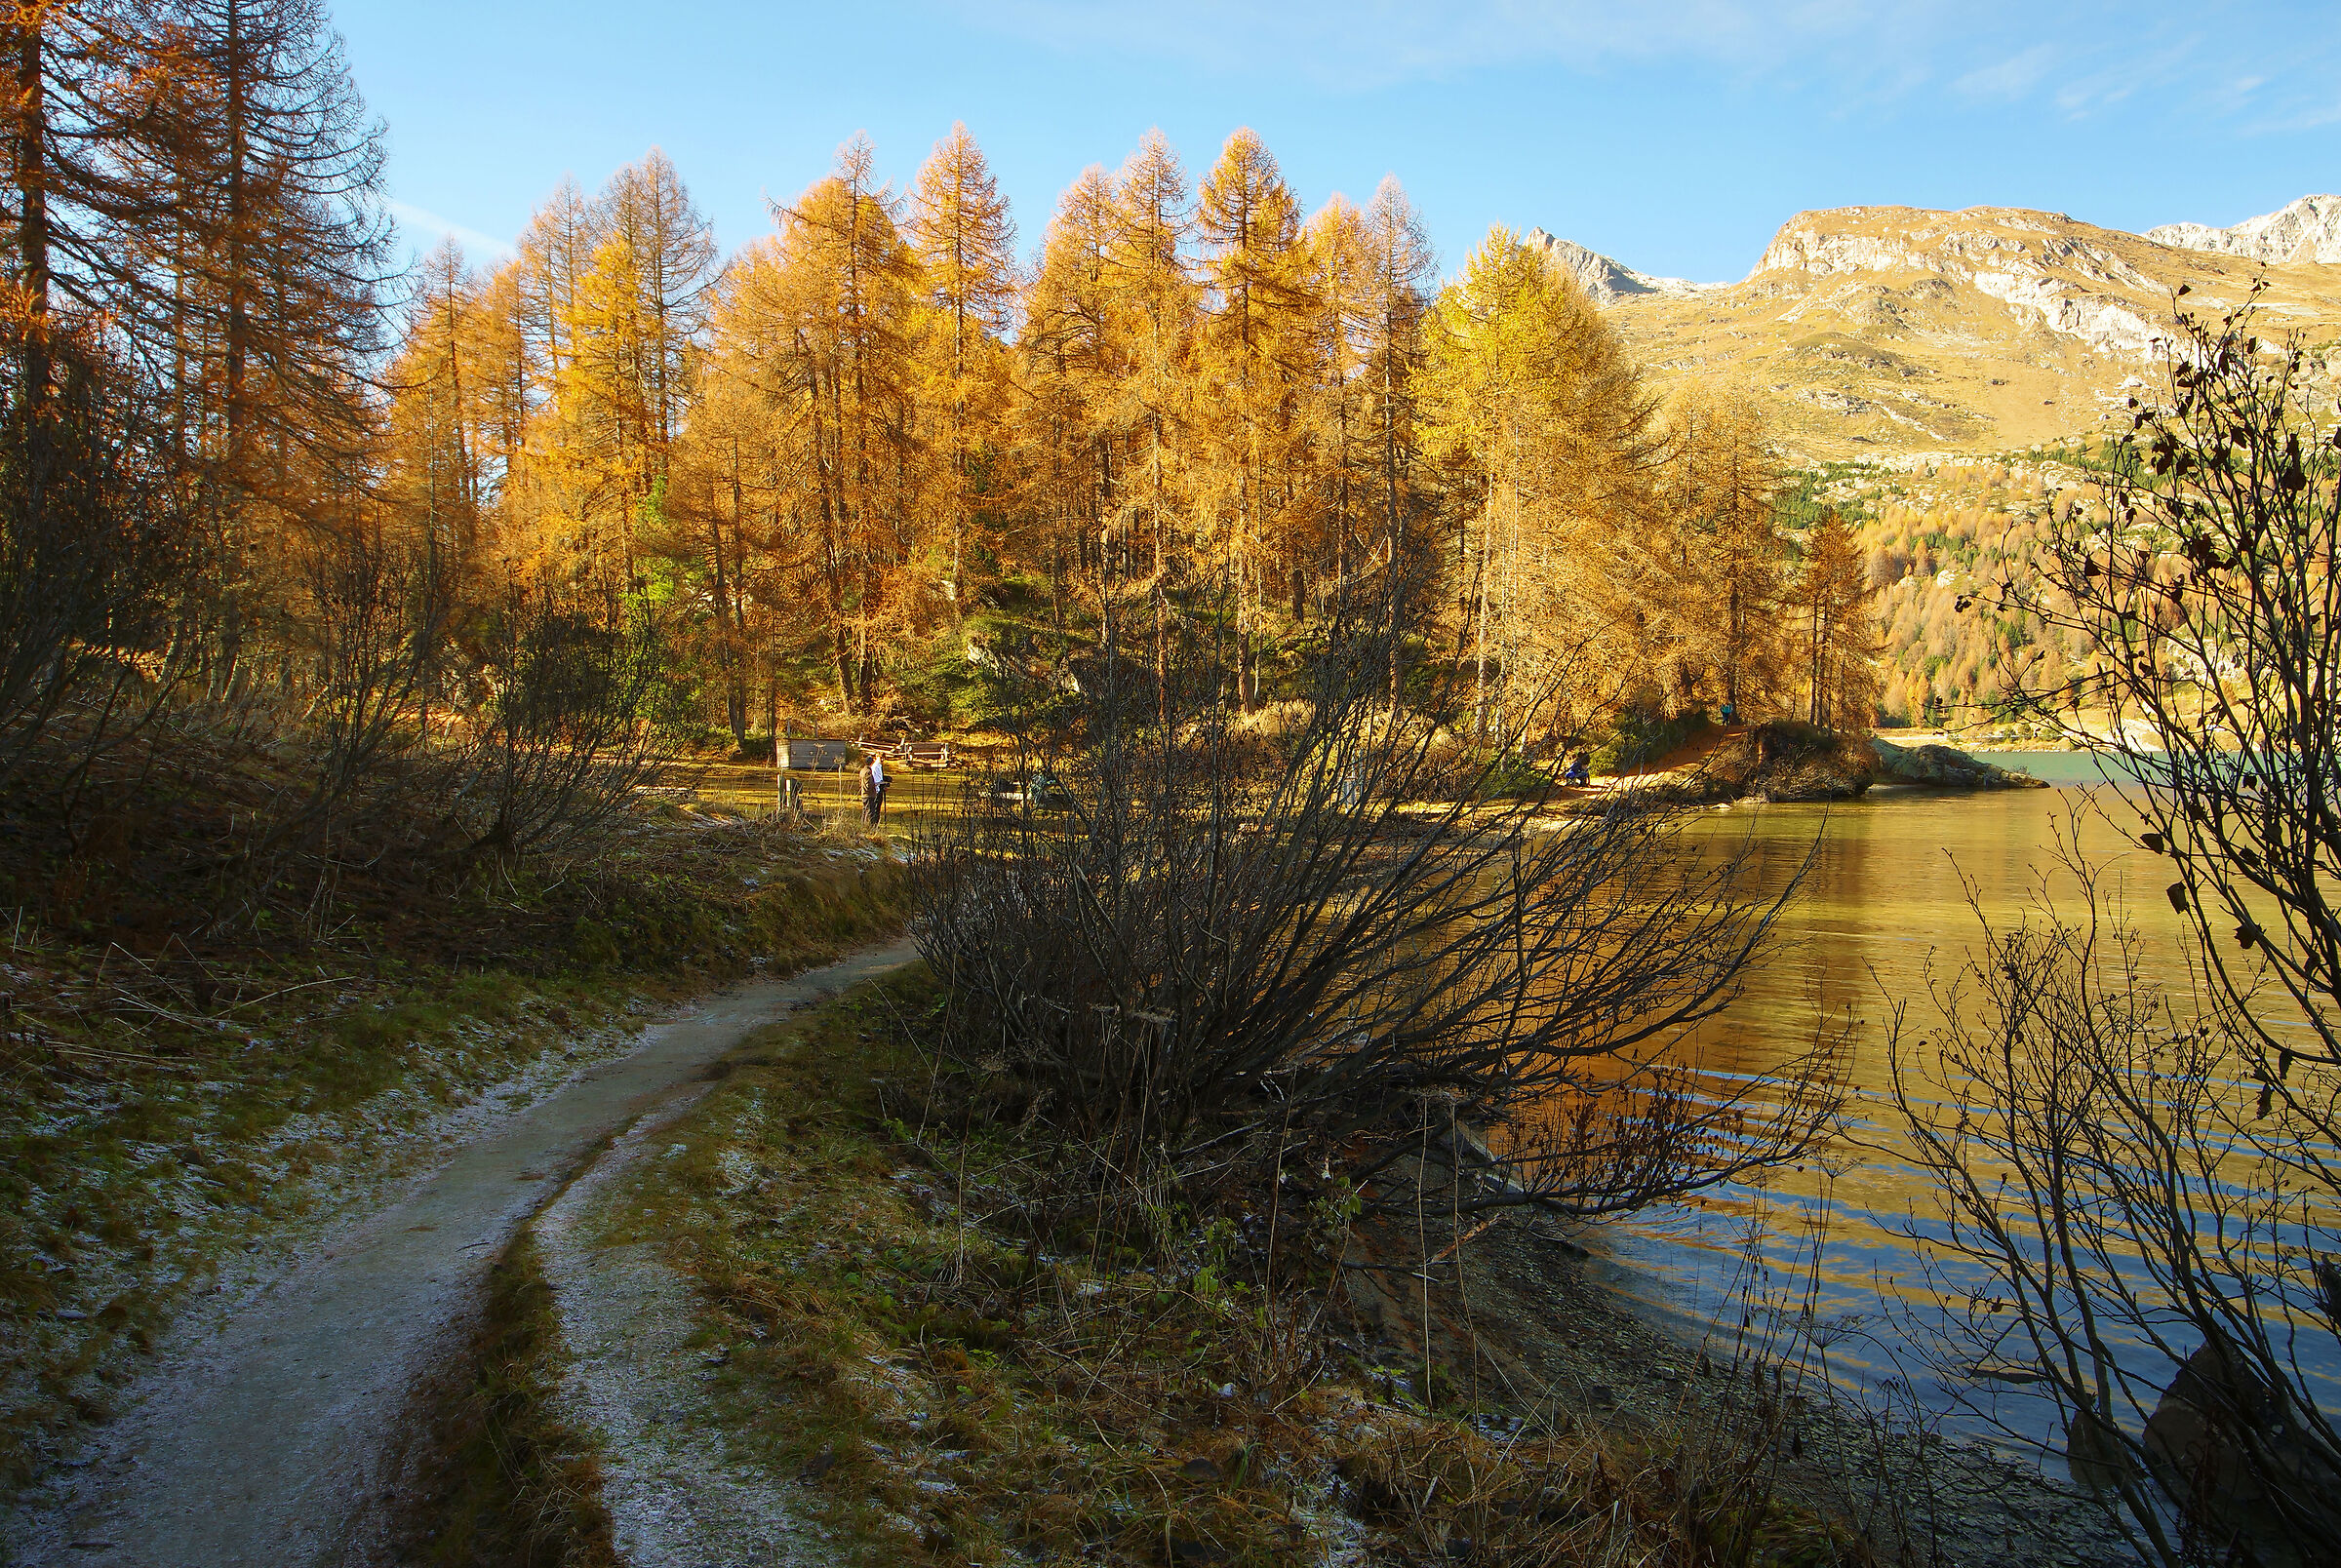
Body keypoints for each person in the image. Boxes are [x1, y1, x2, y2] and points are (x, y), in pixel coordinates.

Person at [863, 753, 889, 826]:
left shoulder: (879, 766)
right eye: (881, 758)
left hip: (879, 788)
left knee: (878, 808)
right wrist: (881, 784)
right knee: (875, 808)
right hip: (876, 789)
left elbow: (880, 778)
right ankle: (873, 824)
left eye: (883, 758)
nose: (882, 760)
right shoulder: (875, 766)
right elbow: (875, 780)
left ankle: (875, 824)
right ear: (877, 757)